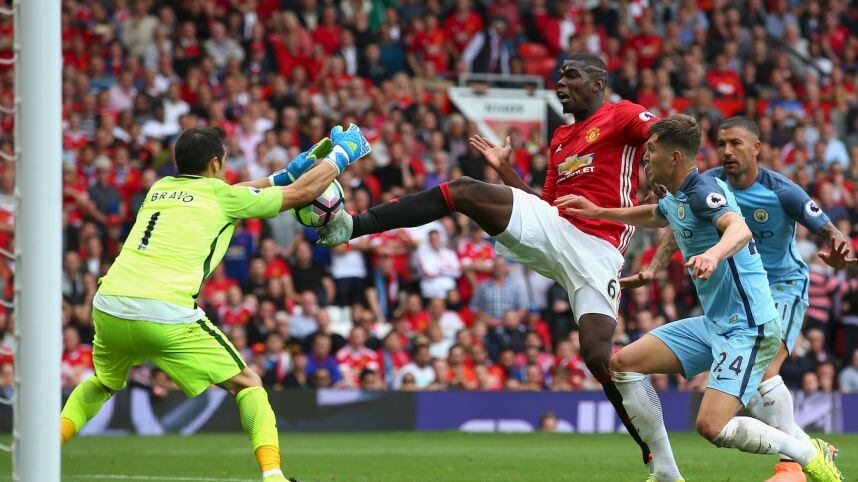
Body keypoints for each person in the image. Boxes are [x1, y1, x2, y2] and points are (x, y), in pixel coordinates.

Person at [317, 53, 660, 465]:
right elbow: (544, 206)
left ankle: (652, 451)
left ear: (598, 83)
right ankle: (351, 226)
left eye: (571, 76)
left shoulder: (622, 115)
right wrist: (505, 171)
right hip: (559, 230)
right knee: (464, 190)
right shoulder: (560, 138)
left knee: (599, 356)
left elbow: (665, 134)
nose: (560, 83)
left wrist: (664, 180)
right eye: (559, 76)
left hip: (599, 248)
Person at [58, 124, 371, 482]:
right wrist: (343, 154)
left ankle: (42, 453)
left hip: (110, 302)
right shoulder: (223, 197)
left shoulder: (160, 188)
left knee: (103, 382)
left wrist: (284, 174)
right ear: (216, 162)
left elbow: (235, 192)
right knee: (248, 384)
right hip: (164, 310)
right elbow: (302, 194)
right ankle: (273, 477)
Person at [558, 114, 844, 482]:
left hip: (749, 326)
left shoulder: (704, 191)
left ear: (675, 156)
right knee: (624, 364)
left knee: (711, 426)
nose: (646, 157)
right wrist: (600, 212)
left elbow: (738, 228)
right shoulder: (679, 195)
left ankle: (807, 452)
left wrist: (713, 254)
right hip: (715, 323)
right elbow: (657, 215)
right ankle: (665, 473)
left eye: (652, 150)